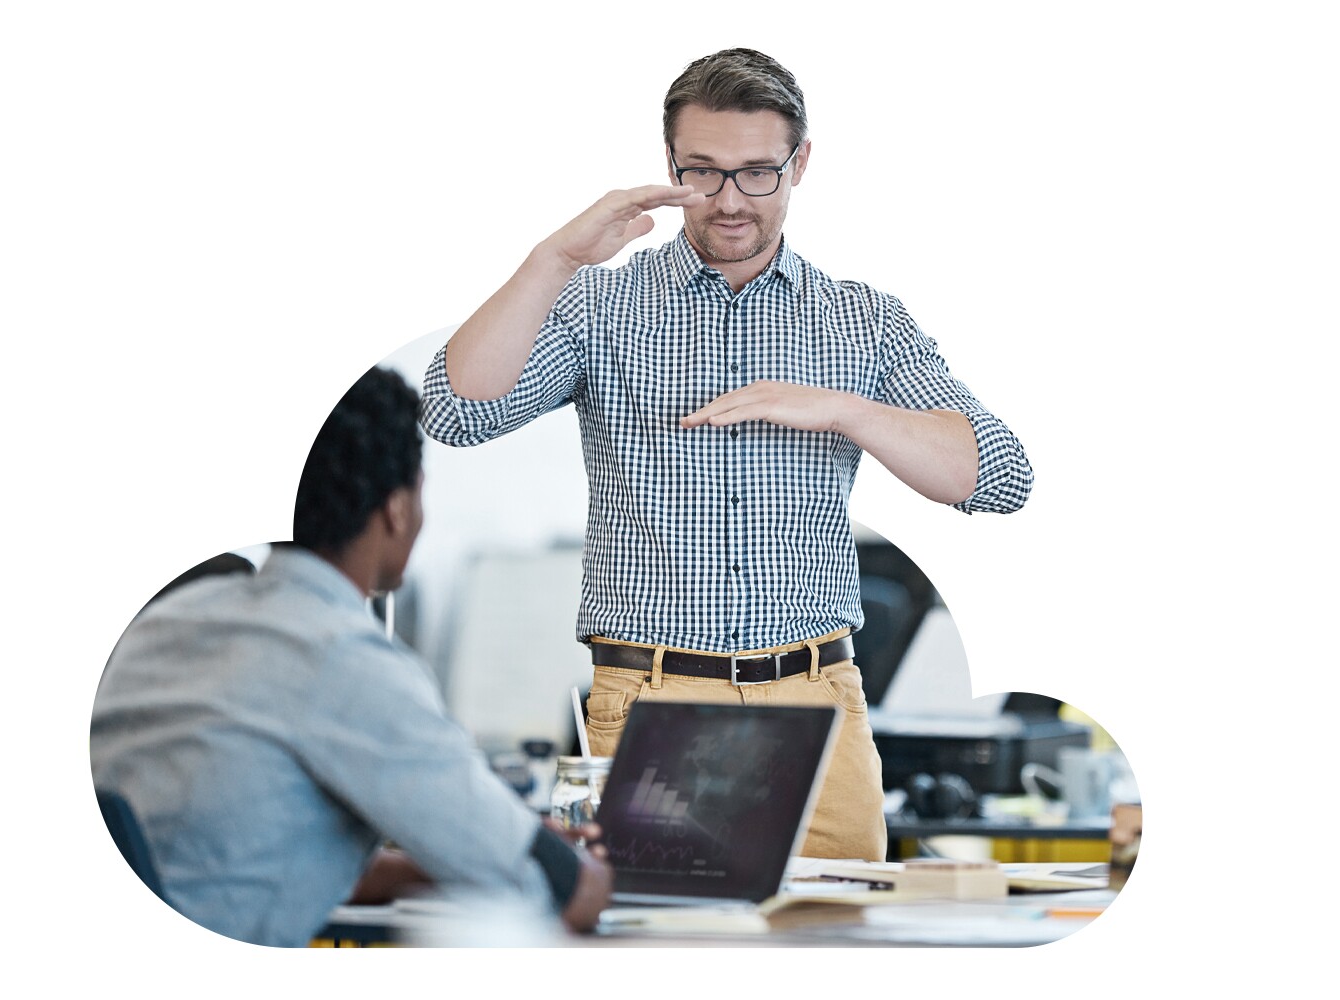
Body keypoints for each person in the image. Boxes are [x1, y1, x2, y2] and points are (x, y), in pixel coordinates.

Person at [419, 48, 1033, 862]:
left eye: (757, 173)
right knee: (650, 952)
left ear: (800, 162)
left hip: (819, 703)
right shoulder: (598, 307)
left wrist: (841, 410)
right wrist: (554, 259)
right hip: (649, 699)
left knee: (842, 954)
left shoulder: (861, 322)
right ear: (669, 164)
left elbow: (998, 477)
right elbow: (454, 412)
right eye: (703, 173)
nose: (730, 200)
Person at [90, 367, 612, 947]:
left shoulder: (169, 620)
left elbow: (241, 861)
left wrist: (439, 863)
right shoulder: (343, 659)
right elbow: (564, 892)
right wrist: (592, 867)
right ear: (396, 508)